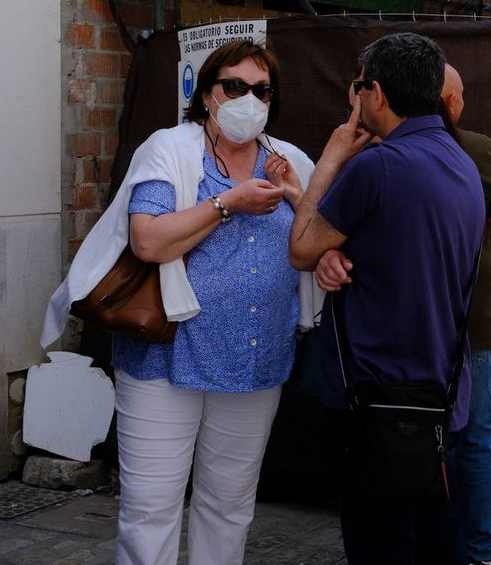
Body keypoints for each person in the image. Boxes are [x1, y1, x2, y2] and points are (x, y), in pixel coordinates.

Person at [43, 40, 318, 565]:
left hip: (254, 360)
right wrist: (228, 203)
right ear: (207, 94)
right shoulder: (170, 149)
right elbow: (148, 240)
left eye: (260, 90)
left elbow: (314, 245)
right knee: (151, 510)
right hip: (166, 360)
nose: (248, 99)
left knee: (230, 506)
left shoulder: (290, 162)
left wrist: (296, 195)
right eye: (233, 86)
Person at [289, 32, 485, 565]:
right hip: (441, 396)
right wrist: (340, 252)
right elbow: (393, 245)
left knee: (382, 546)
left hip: (378, 403)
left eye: (358, 87)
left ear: (375, 93)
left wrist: (330, 157)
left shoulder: (376, 167)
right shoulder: (461, 161)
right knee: (433, 543)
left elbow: (302, 248)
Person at [439, 64, 491, 565]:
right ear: (448, 101)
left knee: (431, 442)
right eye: (460, 95)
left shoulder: (379, 152)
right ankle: (484, 551)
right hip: (472, 318)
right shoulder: (476, 147)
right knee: (476, 437)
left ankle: (440, 545)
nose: (463, 103)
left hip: (413, 323)